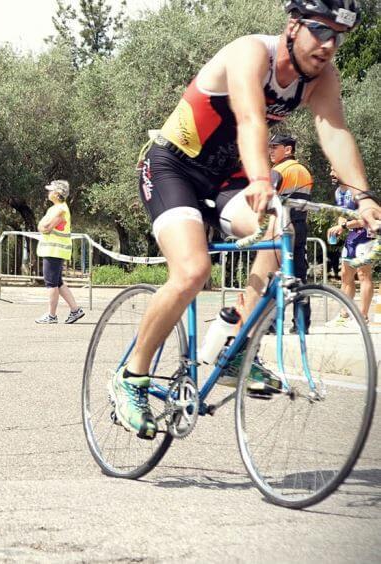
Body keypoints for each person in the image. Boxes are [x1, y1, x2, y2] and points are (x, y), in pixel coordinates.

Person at [120, 0, 380, 440]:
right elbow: (248, 116)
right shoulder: (249, 52)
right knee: (192, 271)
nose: (329, 45)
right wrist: (261, 176)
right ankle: (131, 378)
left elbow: (335, 131)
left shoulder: (321, 79)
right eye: (321, 31)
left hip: (227, 180)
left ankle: (235, 341)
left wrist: (364, 196)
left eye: (339, 36)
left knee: (280, 230)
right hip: (173, 168)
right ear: (294, 26)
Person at [269, 133, 314, 331]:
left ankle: (269, 324)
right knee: (299, 276)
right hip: (300, 225)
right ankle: (302, 325)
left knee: (273, 274)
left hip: (280, 226)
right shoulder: (304, 171)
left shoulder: (278, 170)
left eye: (274, 147)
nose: (270, 151)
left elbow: (267, 201)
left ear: (288, 149)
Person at [327, 167, 374, 325]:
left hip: (366, 235)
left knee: (363, 275)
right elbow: (341, 213)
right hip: (352, 236)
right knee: (346, 276)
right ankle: (343, 315)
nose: (331, 174)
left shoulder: (358, 191)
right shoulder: (338, 192)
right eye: (331, 170)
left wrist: (344, 226)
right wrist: (340, 225)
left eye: (335, 170)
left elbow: (365, 218)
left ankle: (363, 317)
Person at [35, 180, 84, 324]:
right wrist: (42, 225)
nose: (48, 193)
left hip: (54, 250)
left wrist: (43, 225)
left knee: (51, 283)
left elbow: (46, 227)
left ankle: (51, 315)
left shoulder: (60, 209)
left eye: (51, 191)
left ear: (57, 194)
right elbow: (42, 226)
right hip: (54, 250)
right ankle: (75, 310)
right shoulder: (56, 208)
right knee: (58, 282)